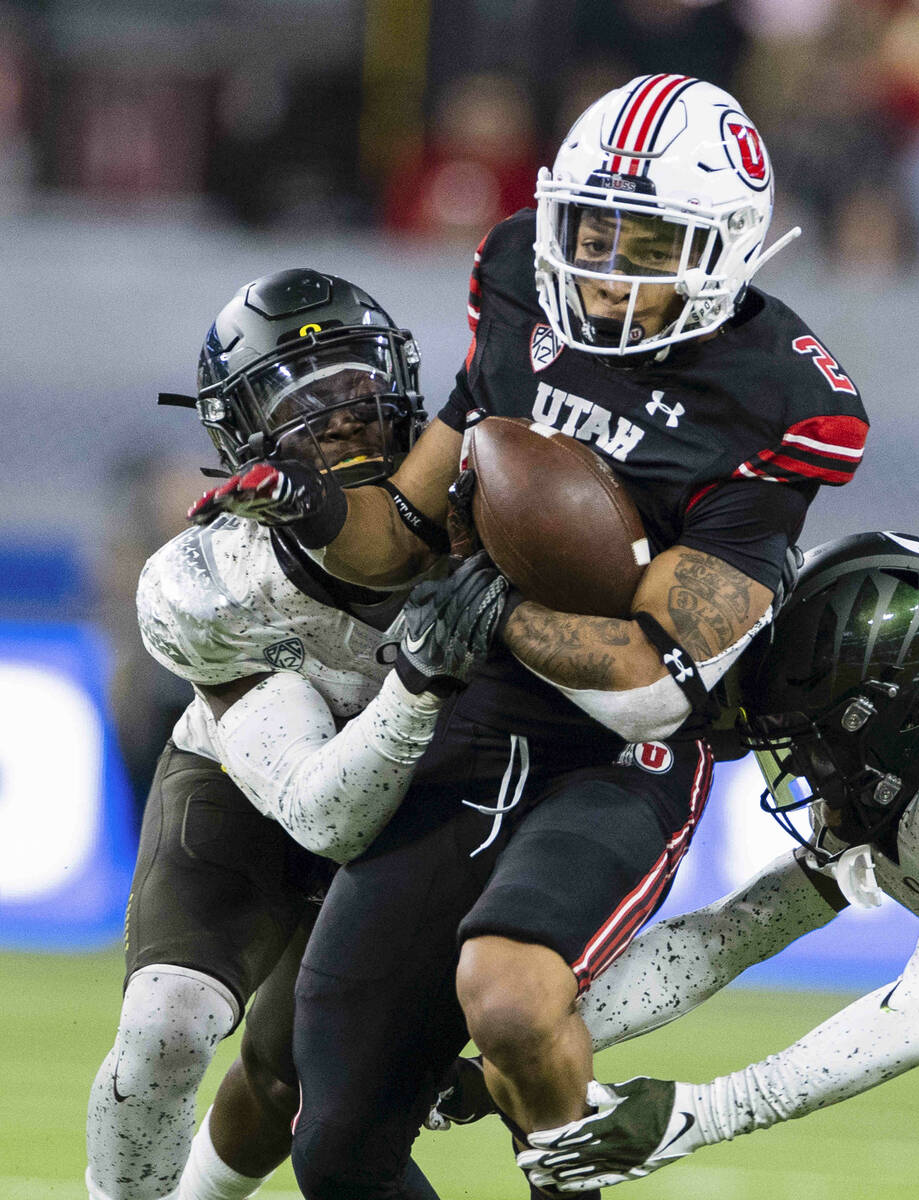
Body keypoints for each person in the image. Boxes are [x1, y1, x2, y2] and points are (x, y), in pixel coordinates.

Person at [189, 75, 870, 1199]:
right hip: (474, 713)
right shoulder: (516, 275)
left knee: (507, 993)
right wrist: (306, 503)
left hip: (618, 756)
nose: (603, 263)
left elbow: (654, 685)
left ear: (729, 243)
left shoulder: (782, 401)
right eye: (590, 227)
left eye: (644, 240)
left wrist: (498, 599)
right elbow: (406, 530)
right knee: (338, 1143)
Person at [509, 530, 919, 1192]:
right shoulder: (916, 764)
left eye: (819, 736)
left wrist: (702, 1114)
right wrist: (514, 1055)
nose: (805, 765)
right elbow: (737, 930)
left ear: (903, 707)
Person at [85, 268, 500, 1200]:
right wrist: (423, 671)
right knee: (168, 1021)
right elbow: (325, 816)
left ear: (398, 381)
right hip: (252, 781)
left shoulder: (496, 501)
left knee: (296, 1072)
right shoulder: (210, 576)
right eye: (297, 398)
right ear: (242, 429)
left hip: (424, 806)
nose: (341, 416)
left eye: (354, 384)